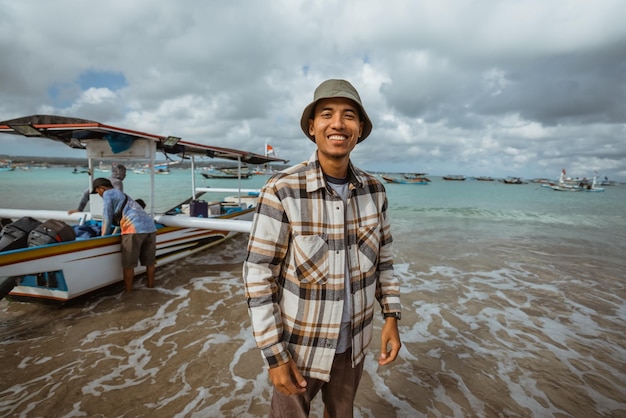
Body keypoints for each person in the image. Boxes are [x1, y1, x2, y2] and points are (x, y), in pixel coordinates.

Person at [243, 79, 402, 417]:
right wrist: (274, 356)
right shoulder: (282, 189)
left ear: (359, 129)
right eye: (326, 114)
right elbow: (258, 275)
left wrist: (391, 317)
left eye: (349, 116)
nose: (338, 123)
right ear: (312, 128)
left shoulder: (375, 191)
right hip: (299, 348)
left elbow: (384, 262)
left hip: (354, 345)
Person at [91, 177, 156, 293]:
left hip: (133, 229)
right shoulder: (122, 194)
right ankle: (151, 287)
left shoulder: (107, 194)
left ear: (101, 188)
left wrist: (102, 237)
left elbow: (107, 217)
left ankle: (128, 293)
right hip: (150, 228)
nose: (99, 195)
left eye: (97, 192)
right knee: (150, 263)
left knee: (128, 265)